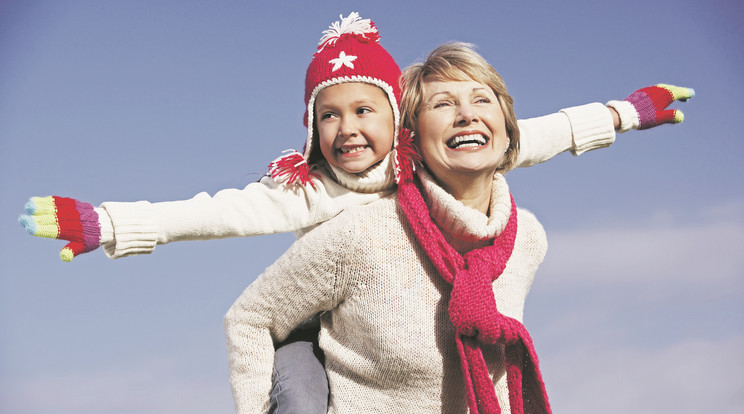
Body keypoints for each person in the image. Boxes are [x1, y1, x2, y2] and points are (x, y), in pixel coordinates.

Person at [19, 12, 691, 414]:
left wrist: (628, 112)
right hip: (309, 327)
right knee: (306, 398)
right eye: (328, 116)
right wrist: (110, 224)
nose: (347, 130)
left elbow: (536, 134)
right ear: (311, 129)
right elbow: (216, 213)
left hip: (382, 317)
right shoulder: (311, 190)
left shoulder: (424, 164)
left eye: (363, 110)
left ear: (395, 119)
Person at [224, 41, 693, 413]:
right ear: (412, 137)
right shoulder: (361, 235)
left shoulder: (527, 238)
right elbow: (250, 317)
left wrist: (625, 113)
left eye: (481, 100)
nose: (466, 114)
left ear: (508, 130)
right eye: (443, 104)